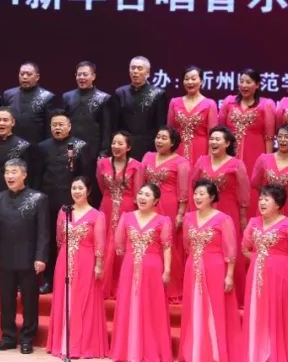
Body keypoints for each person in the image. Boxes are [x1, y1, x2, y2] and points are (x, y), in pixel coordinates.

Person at [179, 179, 243, 362]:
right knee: (194, 307)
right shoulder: (189, 218)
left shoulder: (223, 219)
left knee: (214, 308)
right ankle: (196, 354)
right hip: (192, 266)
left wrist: (229, 275)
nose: (197, 197)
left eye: (202, 194)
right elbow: (186, 244)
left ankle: (215, 356)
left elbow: (231, 250)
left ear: (212, 197)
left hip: (215, 266)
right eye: (195, 193)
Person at [0, 159, 49, 354]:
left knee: (29, 301)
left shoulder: (38, 198)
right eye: (7, 172)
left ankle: (27, 338)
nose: (9, 176)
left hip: (29, 259)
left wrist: (41, 257)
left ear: (24, 175)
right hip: (5, 258)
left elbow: (43, 232)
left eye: (14, 172)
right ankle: (8, 337)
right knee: (6, 300)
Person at [109, 183, 174, 362]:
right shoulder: (127, 217)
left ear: (156, 200)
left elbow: (167, 247)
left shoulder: (163, 221)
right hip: (130, 266)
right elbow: (119, 244)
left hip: (153, 268)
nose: (142, 197)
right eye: (140, 193)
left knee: (151, 306)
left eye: (147, 195)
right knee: (128, 303)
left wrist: (167, 270)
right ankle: (127, 350)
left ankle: (149, 350)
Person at [46, 177, 108, 359]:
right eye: (74, 188)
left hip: (86, 260)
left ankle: (82, 345)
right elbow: (59, 239)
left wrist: (98, 264)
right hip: (64, 260)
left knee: (84, 299)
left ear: (88, 191)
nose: (77, 191)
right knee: (64, 298)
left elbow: (100, 243)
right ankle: (62, 343)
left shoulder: (97, 215)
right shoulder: (64, 211)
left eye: (80, 188)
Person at [35, 111, 96, 294]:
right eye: (54, 125)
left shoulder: (79, 146)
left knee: (69, 243)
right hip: (47, 202)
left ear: (69, 126)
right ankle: (48, 280)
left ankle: (72, 279)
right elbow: (37, 177)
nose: (58, 128)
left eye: (61, 124)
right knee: (48, 241)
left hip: (72, 203)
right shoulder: (42, 147)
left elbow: (86, 176)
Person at [0, 107, 35, 290]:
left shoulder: (23, 146)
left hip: (19, 198)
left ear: (13, 122)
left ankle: (17, 278)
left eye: (5, 120)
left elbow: (29, 176)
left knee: (17, 236)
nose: (1, 123)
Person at [192, 126, 250, 299]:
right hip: (204, 211)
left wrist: (242, 216)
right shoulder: (202, 161)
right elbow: (194, 185)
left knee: (229, 247)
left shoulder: (236, 164)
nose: (213, 142)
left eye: (217, 139)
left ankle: (231, 288)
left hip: (228, 209)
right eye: (211, 139)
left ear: (227, 143)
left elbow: (244, 191)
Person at [134, 126, 191, 300]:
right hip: (148, 204)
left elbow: (183, 190)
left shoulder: (181, 162)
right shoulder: (148, 157)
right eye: (158, 137)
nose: (159, 141)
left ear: (173, 143)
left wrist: (180, 213)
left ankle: (171, 288)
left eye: (164, 138)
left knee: (168, 244)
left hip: (168, 206)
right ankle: (148, 284)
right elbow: (140, 182)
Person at [240, 184, 288, 362]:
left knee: (276, 315)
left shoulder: (286, 224)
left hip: (280, 276)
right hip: (256, 275)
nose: (261, 202)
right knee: (256, 314)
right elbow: (245, 248)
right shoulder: (254, 223)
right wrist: (259, 260)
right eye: (260, 199)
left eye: (267, 199)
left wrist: (276, 263)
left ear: (278, 203)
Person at [96, 132, 140, 296]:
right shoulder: (102, 163)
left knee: (123, 242)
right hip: (106, 206)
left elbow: (138, 193)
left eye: (120, 144)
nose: (116, 146)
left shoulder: (137, 166)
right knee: (104, 240)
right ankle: (102, 282)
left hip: (127, 208)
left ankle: (121, 284)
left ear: (128, 147)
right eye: (114, 143)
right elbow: (102, 186)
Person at [219, 68, 276, 179]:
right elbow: (220, 131)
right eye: (241, 81)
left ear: (257, 85)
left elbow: (269, 138)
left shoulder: (266, 105)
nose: (244, 85)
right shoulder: (229, 102)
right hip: (230, 155)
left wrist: (268, 164)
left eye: (248, 82)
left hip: (255, 156)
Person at [113, 56, 168, 158]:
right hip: (124, 146)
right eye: (133, 68)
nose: (135, 71)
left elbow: (160, 124)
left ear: (148, 73)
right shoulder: (120, 93)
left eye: (139, 68)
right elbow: (115, 124)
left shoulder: (158, 94)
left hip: (148, 147)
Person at [167, 65, 218, 165]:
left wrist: (210, 161)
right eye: (186, 79)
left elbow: (213, 136)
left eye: (193, 79)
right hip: (177, 151)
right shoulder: (174, 102)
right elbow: (169, 132)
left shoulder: (209, 104)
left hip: (201, 151)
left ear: (201, 81)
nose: (190, 82)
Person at [61, 61, 113, 159]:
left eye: (85, 74)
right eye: (79, 74)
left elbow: (106, 129)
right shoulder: (67, 97)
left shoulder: (103, 98)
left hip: (93, 149)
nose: (81, 77)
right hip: (71, 147)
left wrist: (103, 152)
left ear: (93, 76)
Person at [1, 61, 56, 144]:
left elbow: (50, 128)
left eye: (29, 74)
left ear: (37, 77)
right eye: (22, 74)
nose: (25, 77)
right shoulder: (8, 94)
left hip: (36, 145)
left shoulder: (47, 97)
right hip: (11, 144)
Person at [251, 125, 288, 196]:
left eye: (286, 137)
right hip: (269, 200)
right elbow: (255, 183)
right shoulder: (264, 159)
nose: (282, 139)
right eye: (280, 136)